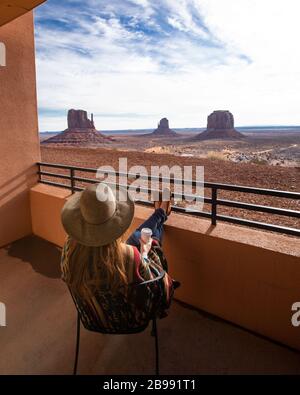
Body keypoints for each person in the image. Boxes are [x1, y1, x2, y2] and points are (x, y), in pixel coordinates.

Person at [60, 182, 176, 332]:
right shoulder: (131, 256)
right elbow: (156, 284)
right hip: (131, 319)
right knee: (150, 241)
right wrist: (147, 252)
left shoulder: (69, 252)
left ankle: (160, 212)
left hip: (92, 317)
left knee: (136, 237)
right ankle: (162, 212)